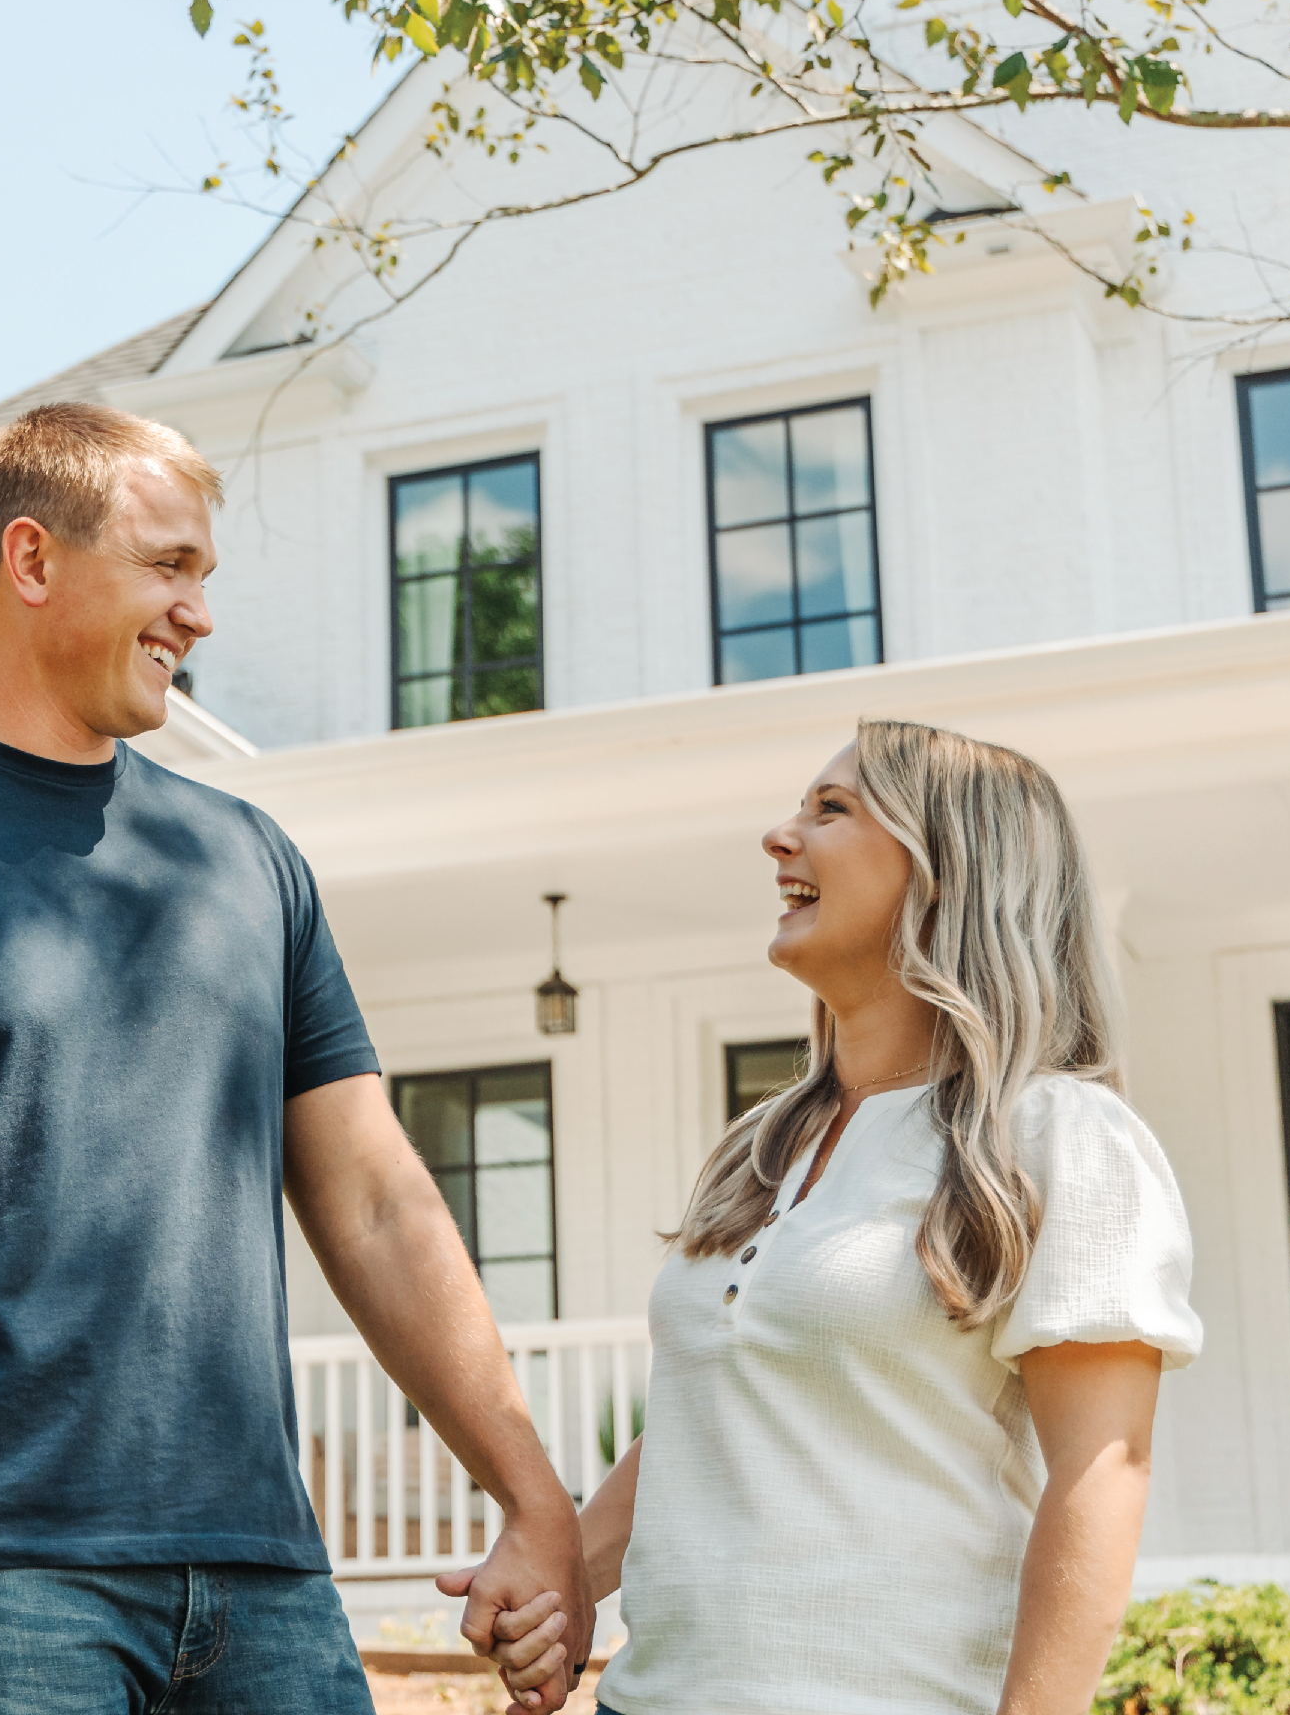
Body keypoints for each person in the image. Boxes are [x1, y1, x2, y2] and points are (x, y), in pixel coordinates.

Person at [0, 402, 593, 1715]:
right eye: (170, 566)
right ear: (30, 562)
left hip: (262, 1582)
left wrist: (533, 1496)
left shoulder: (249, 861)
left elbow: (380, 1200)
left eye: (205, 575)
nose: (198, 613)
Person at [485, 720, 1200, 1714]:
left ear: (948, 869)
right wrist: (566, 1573)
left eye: (832, 810)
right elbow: (717, 1416)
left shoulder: (1058, 1138)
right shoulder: (761, 1145)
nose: (780, 838)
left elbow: (1102, 1469)